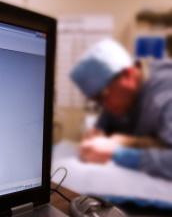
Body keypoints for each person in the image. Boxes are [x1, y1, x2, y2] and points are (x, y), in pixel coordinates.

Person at [70, 38, 172, 180]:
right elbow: (102, 131)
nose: (104, 107)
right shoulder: (120, 97)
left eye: (102, 97)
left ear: (128, 75)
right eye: (96, 101)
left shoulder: (165, 92)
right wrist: (95, 136)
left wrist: (119, 154)